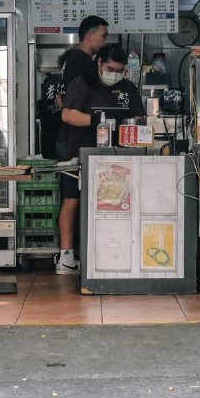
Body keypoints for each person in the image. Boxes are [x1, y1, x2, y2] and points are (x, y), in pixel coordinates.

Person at [55, 44, 145, 275]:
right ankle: (66, 256)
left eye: (119, 70)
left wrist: (129, 127)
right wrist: (98, 121)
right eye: (110, 68)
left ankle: (113, 252)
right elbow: (68, 114)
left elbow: (138, 117)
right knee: (73, 199)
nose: (114, 74)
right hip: (80, 151)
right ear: (100, 64)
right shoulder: (83, 83)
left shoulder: (128, 88)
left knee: (114, 203)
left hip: (118, 157)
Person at [54, 15, 109, 161]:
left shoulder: (71, 58)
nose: (105, 42)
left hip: (65, 136)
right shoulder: (82, 62)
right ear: (90, 36)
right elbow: (73, 103)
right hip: (73, 138)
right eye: (103, 36)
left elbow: (61, 99)